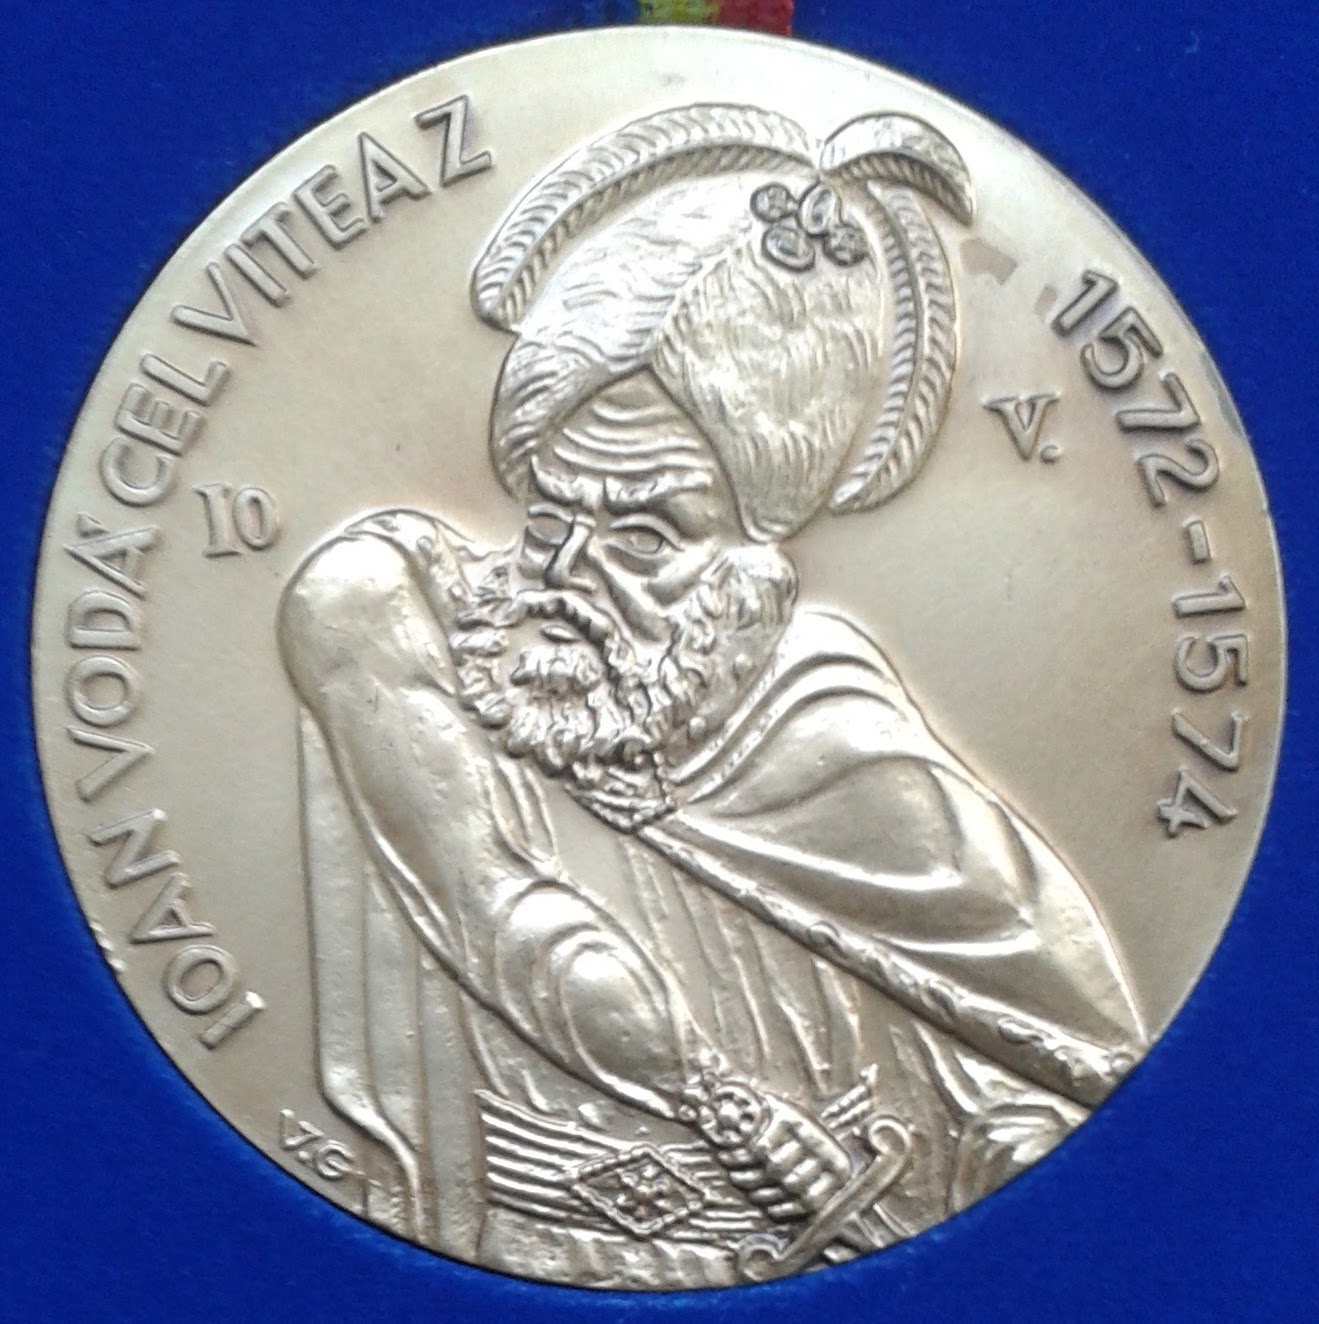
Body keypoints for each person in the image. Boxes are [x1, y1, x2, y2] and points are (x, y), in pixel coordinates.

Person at [278, 105, 1145, 1288]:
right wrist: (728, 1106)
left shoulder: (834, 737)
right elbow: (492, 902)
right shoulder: (408, 612)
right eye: (547, 511)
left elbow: (1051, 1060)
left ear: (753, 570)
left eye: (643, 534)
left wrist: (1010, 1160)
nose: (566, 573)